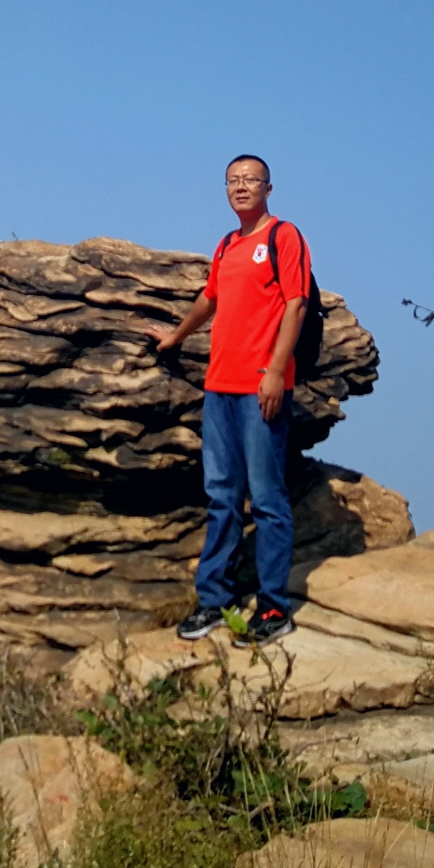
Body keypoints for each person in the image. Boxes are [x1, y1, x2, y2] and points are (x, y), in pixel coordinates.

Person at [147, 154, 311, 647]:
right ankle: (213, 601)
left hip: (260, 386)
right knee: (221, 497)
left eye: (250, 180)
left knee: (266, 499)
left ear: (268, 188)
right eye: (233, 181)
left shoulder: (283, 237)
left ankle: (274, 606)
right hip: (219, 387)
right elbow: (211, 298)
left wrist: (277, 372)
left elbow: (296, 303)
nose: (241, 187)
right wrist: (177, 335)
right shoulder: (227, 245)